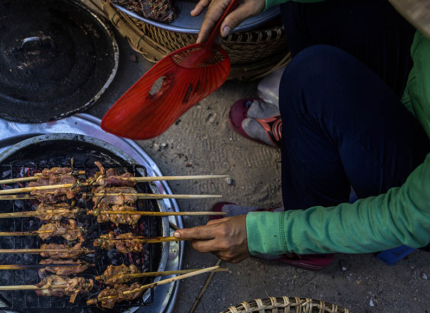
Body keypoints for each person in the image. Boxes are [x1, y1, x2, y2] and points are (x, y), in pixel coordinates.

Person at [173, 0, 430, 269]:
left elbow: (409, 216)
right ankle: (314, 134)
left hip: (419, 197)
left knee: (311, 77)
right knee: (304, 6)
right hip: (417, 62)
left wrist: (271, 234)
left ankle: (307, 243)